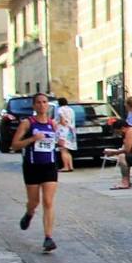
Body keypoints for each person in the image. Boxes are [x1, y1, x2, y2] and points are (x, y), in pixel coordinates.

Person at [10, 92, 60, 252]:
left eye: (45, 102)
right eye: (38, 102)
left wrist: (61, 142)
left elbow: (57, 142)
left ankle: (48, 237)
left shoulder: (53, 124)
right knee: (34, 201)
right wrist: (32, 139)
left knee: (48, 201)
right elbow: (15, 145)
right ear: (34, 105)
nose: (42, 105)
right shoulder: (27, 123)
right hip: (32, 166)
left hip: (49, 166)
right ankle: (29, 213)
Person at [56, 97, 77, 173]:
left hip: (63, 131)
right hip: (71, 131)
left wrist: (57, 123)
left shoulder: (60, 109)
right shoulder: (71, 110)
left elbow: (62, 121)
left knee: (63, 150)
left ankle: (65, 166)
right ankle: (70, 166)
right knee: (68, 150)